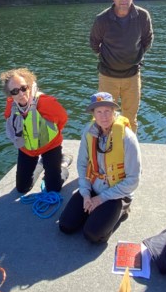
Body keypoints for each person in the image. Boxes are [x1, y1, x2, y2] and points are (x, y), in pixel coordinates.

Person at [59, 92, 141, 243]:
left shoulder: (127, 138)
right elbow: (82, 163)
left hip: (117, 194)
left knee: (93, 235)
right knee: (65, 225)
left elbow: (133, 180)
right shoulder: (88, 132)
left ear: (114, 111)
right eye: (99, 112)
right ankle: (96, 212)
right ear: (93, 114)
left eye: (108, 111)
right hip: (93, 186)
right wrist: (85, 193)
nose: (104, 116)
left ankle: (123, 209)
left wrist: (102, 199)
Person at [89, 0, 153, 133]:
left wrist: (134, 57)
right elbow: (94, 44)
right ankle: (104, 152)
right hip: (107, 76)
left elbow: (147, 40)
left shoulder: (142, 17)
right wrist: (110, 59)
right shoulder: (102, 19)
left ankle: (129, 153)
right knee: (104, 118)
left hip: (132, 76)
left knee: (130, 119)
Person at [0, 67, 69, 194]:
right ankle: (42, 164)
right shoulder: (11, 105)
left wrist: (49, 135)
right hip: (27, 149)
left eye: (23, 88)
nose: (20, 94)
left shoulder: (46, 102)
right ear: (10, 94)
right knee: (22, 188)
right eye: (14, 91)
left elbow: (63, 119)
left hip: (50, 146)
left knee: (53, 189)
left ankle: (63, 165)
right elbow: (9, 119)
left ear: (30, 85)